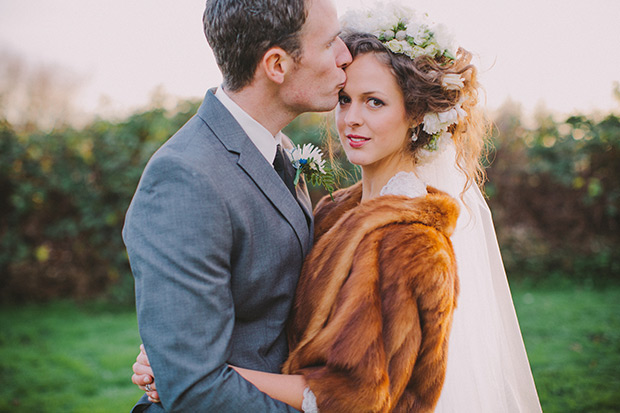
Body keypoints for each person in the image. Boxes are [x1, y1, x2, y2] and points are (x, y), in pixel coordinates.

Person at [134, 3, 542, 412]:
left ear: (416, 113)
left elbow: (359, 395)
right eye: (346, 98)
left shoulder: (411, 240)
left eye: (375, 102)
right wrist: (176, 347)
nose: (351, 117)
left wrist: (189, 367)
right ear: (276, 64)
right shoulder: (329, 207)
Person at [122, 0, 351, 410]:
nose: (344, 56)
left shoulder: (273, 147)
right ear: (277, 65)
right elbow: (195, 389)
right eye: (331, 42)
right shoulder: (184, 179)